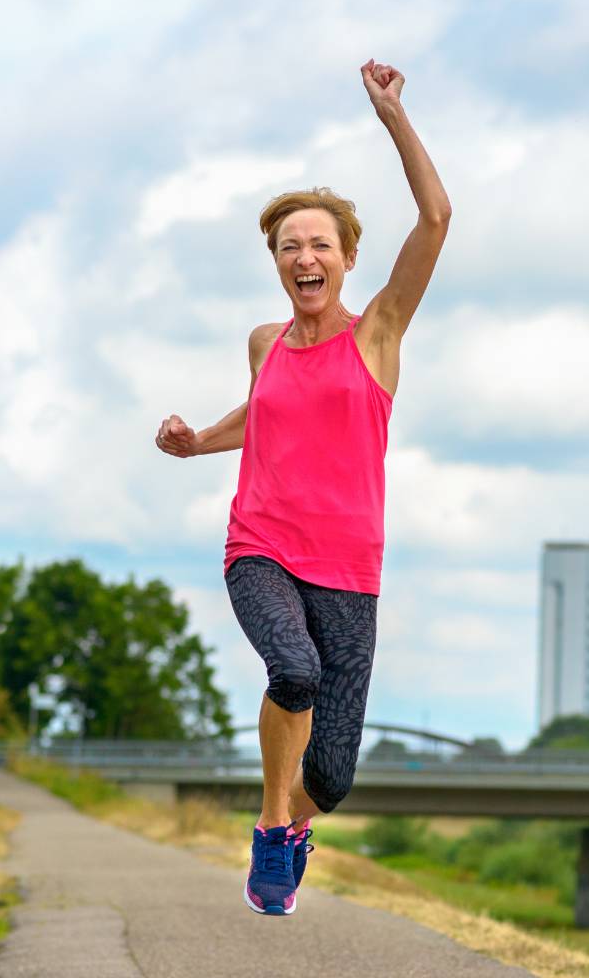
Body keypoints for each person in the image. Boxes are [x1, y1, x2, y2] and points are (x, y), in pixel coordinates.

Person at [154, 59, 450, 916]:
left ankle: (295, 822)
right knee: (293, 668)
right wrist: (196, 442)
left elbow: (436, 217)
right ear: (278, 264)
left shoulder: (378, 335)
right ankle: (272, 827)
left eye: (320, 244)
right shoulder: (265, 343)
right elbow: (263, 416)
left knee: (336, 773)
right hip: (263, 547)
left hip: (350, 569)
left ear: (348, 258)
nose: (305, 256)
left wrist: (392, 117)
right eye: (290, 246)